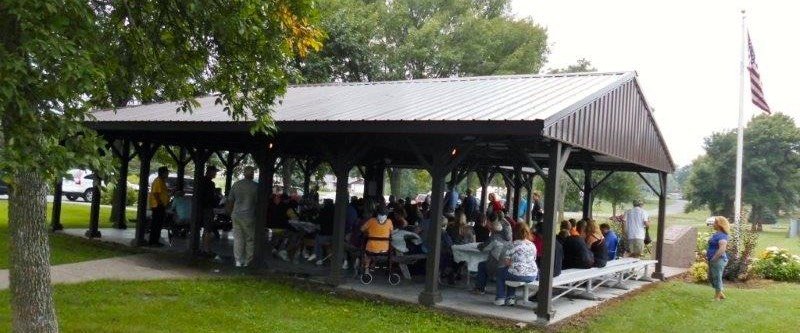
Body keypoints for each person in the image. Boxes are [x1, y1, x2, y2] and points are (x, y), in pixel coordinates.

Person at [494, 223, 538, 306]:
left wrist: (512, 263)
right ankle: (510, 298)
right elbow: (533, 259)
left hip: (517, 274)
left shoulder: (512, 245)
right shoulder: (532, 245)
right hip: (532, 275)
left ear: (515, 232)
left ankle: (500, 298)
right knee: (511, 271)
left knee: (501, 273)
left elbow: (506, 262)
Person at [226, 166, 259, 267]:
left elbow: (230, 200)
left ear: (244, 173)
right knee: (250, 239)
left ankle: (238, 260)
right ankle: (248, 261)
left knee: (238, 238)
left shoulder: (236, 185)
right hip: (249, 216)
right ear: (252, 174)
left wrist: (230, 212)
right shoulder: (256, 186)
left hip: (236, 215)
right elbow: (258, 203)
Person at [472, 220, 510, 294]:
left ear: (492, 230)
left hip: (497, 266)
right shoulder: (507, 239)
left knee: (482, 265)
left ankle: (480, 289)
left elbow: (483, 248)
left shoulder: (493, 239)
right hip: (507, 266)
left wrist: (479, 245)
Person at [360, 205, 394, 270]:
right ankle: (373, 264)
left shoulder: (371, 221)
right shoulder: (389, 222)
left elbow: (361, 229)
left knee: (367, 251)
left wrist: (368, 232)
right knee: (375, 251)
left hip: (371, 248)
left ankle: (366, 268)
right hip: (385, 249)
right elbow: (391, 233)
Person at [198, 165, 220, 256]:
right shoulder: (210, 184)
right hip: (207, 208)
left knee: (203, 229)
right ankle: (206, 250)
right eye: (215, 172)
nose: (215, 174)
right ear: (210, 172)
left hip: (200, 208)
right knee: (208, 230)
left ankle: (203, 248)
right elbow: (210, 197)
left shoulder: (201, 181)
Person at [708, 216, 730, 300]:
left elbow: (722, 249)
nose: (713, 224)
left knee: (717, 277)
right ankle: (721, 294)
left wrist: (714, 258)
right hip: (713, 259)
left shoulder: (722, 236)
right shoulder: (716, 234)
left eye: (714, 222)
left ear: (719, 224)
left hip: (718, 260)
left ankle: (717, 297)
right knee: (712, 277)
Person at [147, 166, 170, 247]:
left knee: (158, 224)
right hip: (157, 205)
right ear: (162, 173)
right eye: (166, 172)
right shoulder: (158, 181)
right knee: (156, 224)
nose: (168, 174)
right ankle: (153, 241)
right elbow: (156, 193)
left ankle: (155, 240)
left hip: (160, 205)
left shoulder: (162, 181)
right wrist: (160, 203)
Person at [310, 199, 335, 265]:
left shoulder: (323, 211)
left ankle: (318, 258)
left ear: (325, 203)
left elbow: (317, 221)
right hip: (334, 234)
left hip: (324, 233)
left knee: (318, 242)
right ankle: (316, 255)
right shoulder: (336, 211)